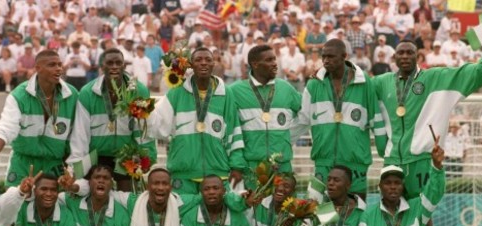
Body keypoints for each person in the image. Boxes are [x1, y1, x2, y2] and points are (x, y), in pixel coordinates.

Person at [372, 41, 482, 226]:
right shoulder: (381, 83)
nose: (406, 56)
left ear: (418, 56)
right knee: (391, 211)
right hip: (393, 160)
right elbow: (359, 90)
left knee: (424, 212)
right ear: (394, 57)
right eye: (401, 53)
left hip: (420, 158)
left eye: (410, 52)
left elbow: (464, 75)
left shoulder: (434, 78)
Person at [149, 47, 245, 195]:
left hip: (217, 173)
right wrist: (141, 111)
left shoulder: (226, 93)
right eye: (198, 60)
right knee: (184, 216)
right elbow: (158, 124)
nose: (203, 63)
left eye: (208, 60)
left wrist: (237, 166)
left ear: (214, 64)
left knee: (216, 217)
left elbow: (234, 131)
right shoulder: (177, 93)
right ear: (191, 65)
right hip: (183, 174)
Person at [299, 39, 386, 198]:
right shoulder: (314, 84)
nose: (326, 60)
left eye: (331, 56)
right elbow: (302, 120)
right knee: (320, 215)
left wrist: (385, 152)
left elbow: (376, 118)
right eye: (323, 56)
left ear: (344, 56)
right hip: (324, 163)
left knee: (354, 217)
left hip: (355, 165)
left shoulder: (364, 82)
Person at [0, 50, 79, 186]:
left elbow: (77, 134)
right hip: (23, 163)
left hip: (55, 163)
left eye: (60, 64)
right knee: (17, 204)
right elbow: (5, 127)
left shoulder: (72, 95)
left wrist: (71, 166)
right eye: (52, 65)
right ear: (38, 69)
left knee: (53, 206)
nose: (58, 68)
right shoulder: (19, 95)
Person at [67, 48, 155, 192]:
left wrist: (147, 156)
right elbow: (80, 133)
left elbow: (145, 128)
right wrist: (76, 166)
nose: (114, 66)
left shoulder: (139, 91)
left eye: (118, 63)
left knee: (127, 197)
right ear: (102, 67)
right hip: (97, 154)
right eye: (110, 63)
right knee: (96, 196)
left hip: (125, 154)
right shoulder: (87, 93)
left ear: (124, 66)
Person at [356, 141, 445, 226]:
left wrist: (437, 167)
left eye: (397, 183)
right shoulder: (368, 215)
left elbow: (434, 192)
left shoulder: (417, 208)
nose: (393, 187)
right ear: (380, 187)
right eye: (388, 183)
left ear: (403, 186)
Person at [228, 45, 303, 191]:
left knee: (283, 212)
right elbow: (230, 131)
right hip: (251, 168)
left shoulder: (286, 88)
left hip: (282, 166)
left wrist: (288, 138)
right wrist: (236, 165)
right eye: (269, 60)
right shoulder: (234, 91)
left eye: (274, 59)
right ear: (255, 64)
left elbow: (306, 113)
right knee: (253, 211)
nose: (275, 63)